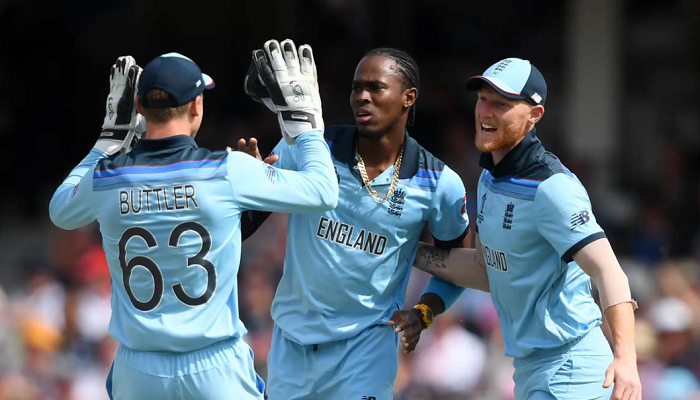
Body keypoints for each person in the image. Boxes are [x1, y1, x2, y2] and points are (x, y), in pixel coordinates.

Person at [49, 45, 338, 400]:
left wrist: (107, 141)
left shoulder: (106, 178)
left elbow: (60, 210)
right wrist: (304, 124)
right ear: (197, 105)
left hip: (138, 370)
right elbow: (324, 191)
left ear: (139, 107)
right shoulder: (228, 169)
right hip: (214, 368)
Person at [242, 41, 470, 400]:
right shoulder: (311, 147)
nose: (362, 96)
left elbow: (458, 266)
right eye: (356, 88)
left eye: (375, 87)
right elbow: (245, 226)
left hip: (366, 350)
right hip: (292, 346)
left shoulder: (439, 183)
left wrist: (425, 311)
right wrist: (247, 185)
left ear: (408, 97)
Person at [411, 57, 642, 400]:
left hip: (571, 367)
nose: (485, 112)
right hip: (532, 370)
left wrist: (626, 359)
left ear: (535, 115)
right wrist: (408, 250)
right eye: (482, 99)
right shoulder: (489, 179)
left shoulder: (551, 188)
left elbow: (608, 271)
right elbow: (485, 270)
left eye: (501, 104)